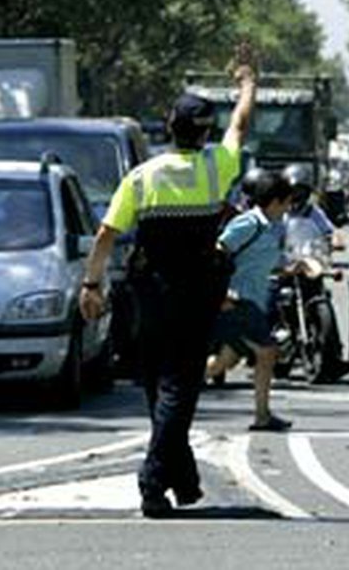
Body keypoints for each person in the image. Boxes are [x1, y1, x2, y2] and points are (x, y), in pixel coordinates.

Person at [79, 53, 256, 518]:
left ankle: (184, 479)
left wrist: (91, 285)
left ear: (169, 127)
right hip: (196, 295)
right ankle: (154, 480)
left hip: (149, 295)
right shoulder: (216, 167)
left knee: (158, 385)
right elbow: (240, 125)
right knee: (178, 388)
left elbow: (106, 234)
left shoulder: (142, 177)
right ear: (204, 133)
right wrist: (247, 82)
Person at [205, 170, 296, 431]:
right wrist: (221, 292)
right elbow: (218, 251)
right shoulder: (248, 223)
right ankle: (262, 415)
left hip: (253, 301)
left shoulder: (271, 227)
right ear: (275, 202)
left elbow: (265, 263)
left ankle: (172, 388)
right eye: (286, 202)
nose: (288, 208)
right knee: (267, 352)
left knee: (225, 361)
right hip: (236, 300)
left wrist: (294, 267)